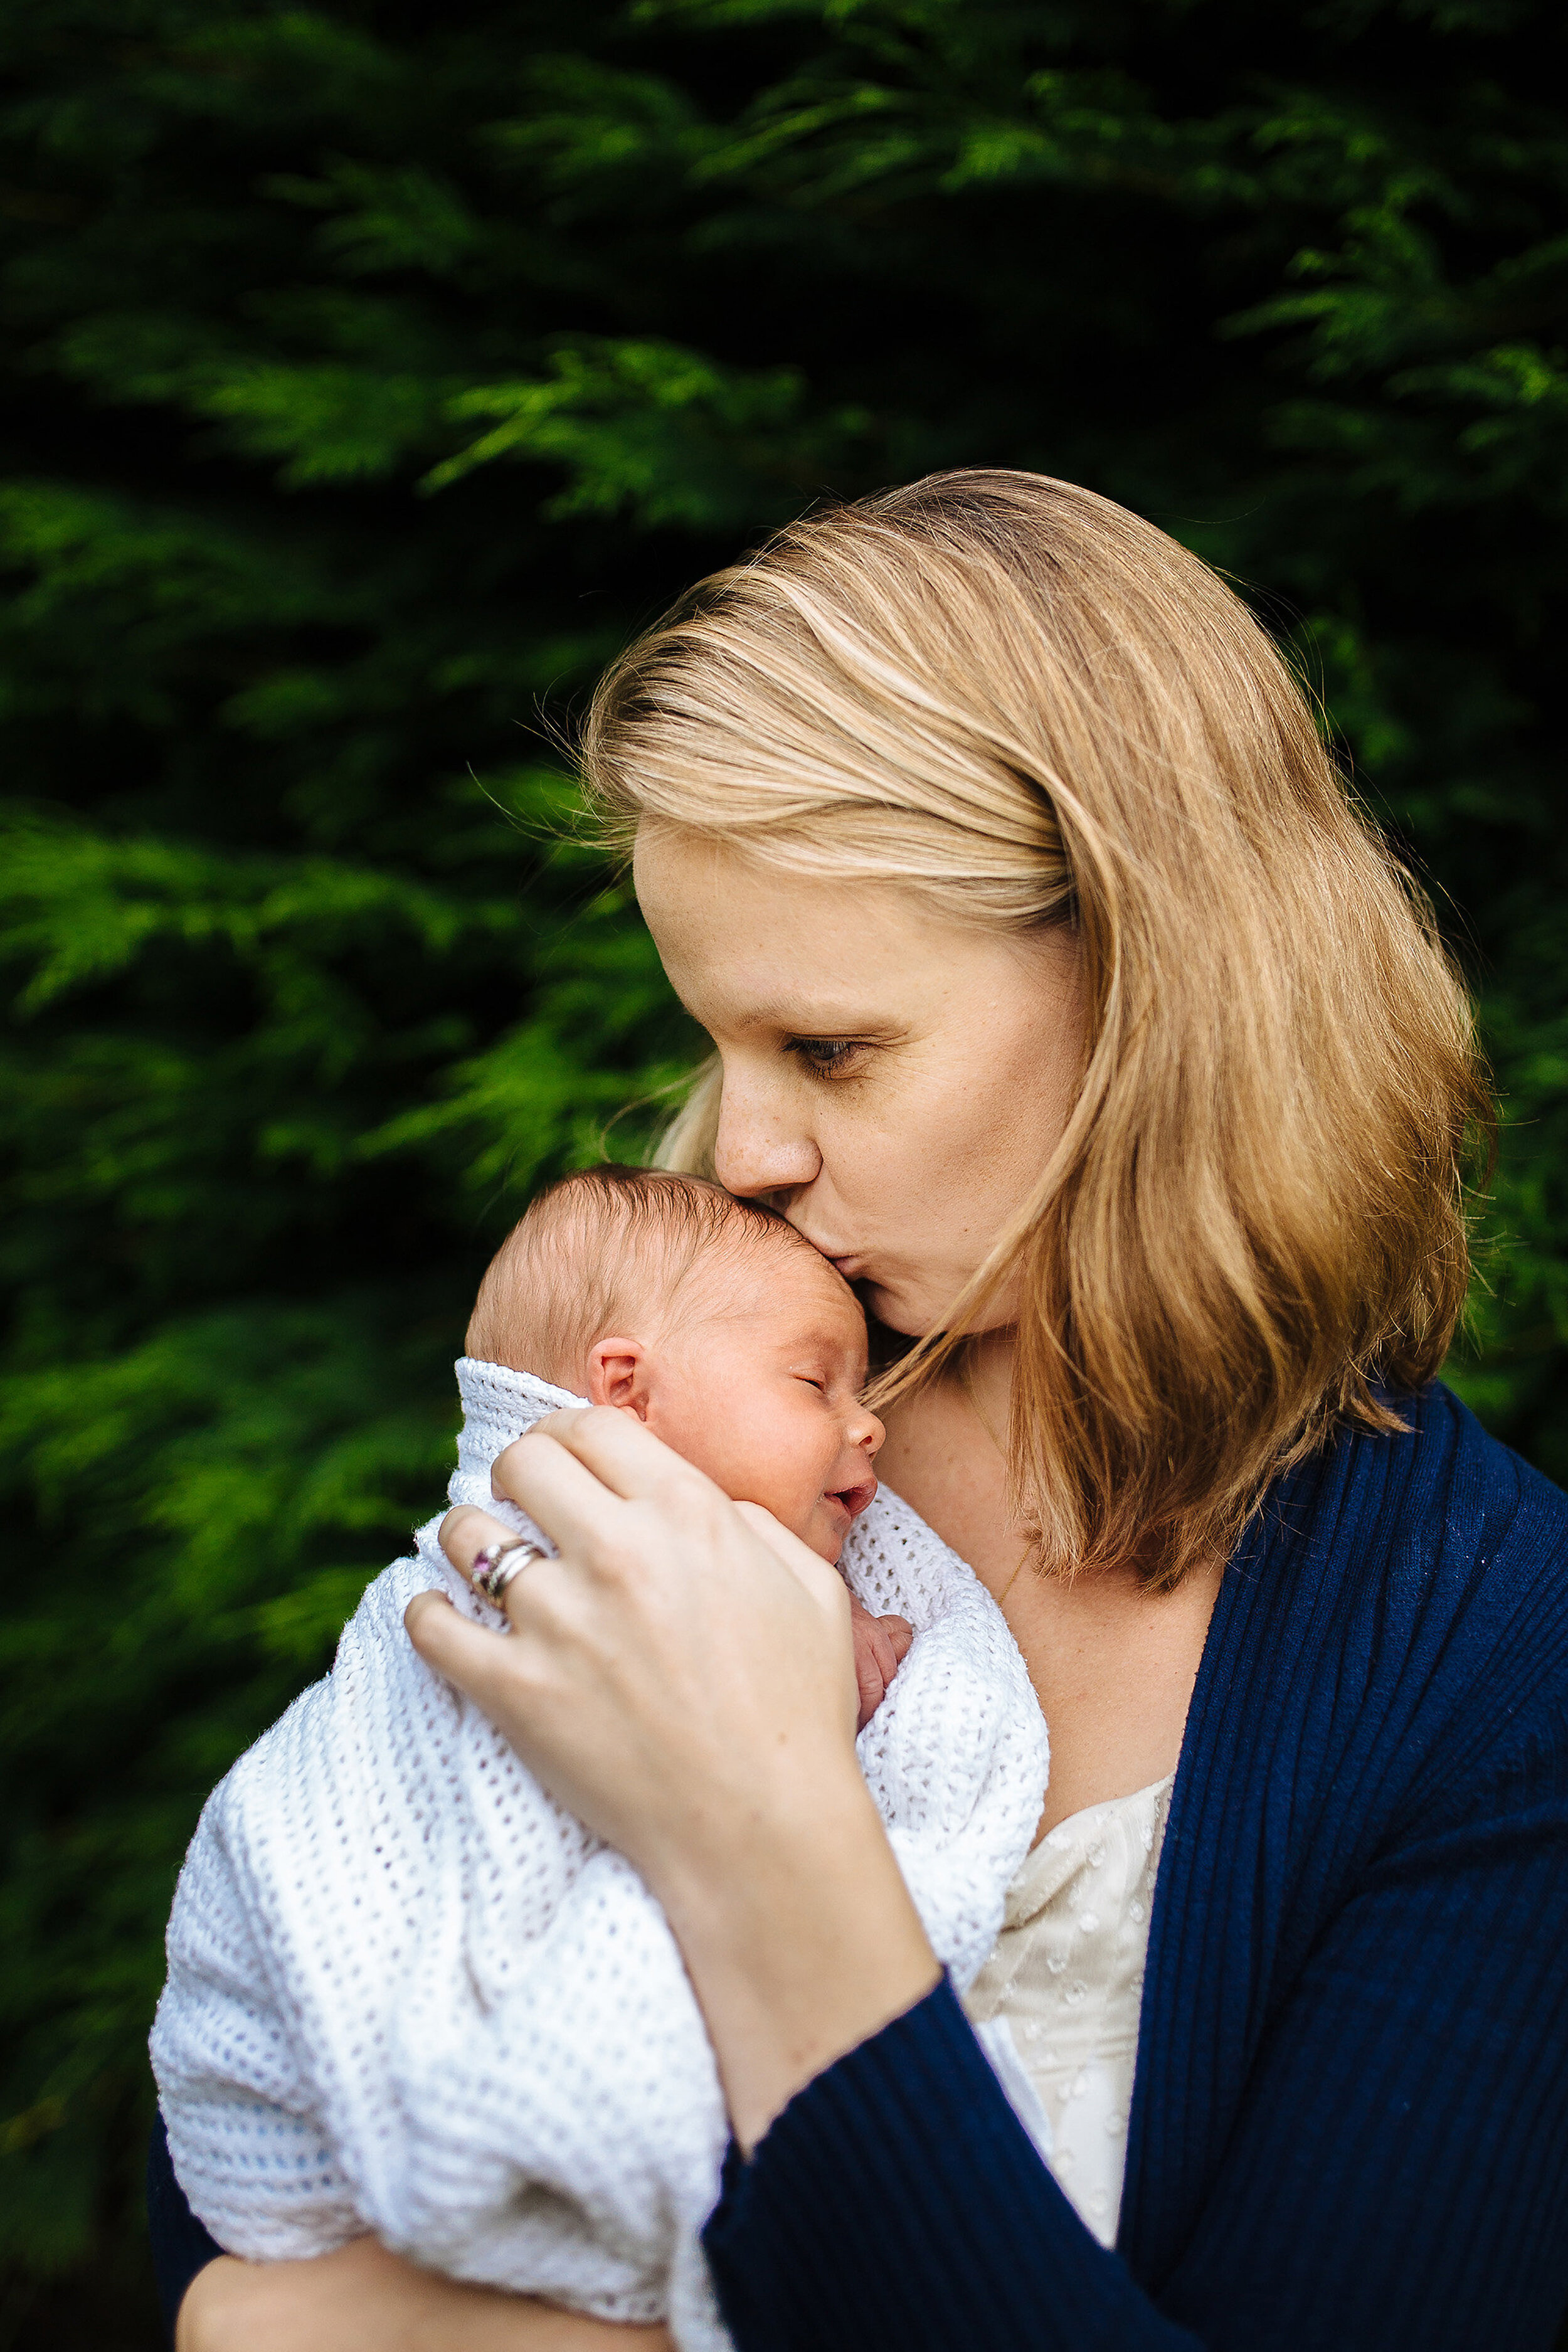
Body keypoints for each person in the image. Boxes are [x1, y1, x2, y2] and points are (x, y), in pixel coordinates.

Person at [154, 470, 1568, 2352]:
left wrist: (760, 1826)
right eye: (715, 1037)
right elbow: (313, 2028)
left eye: (830, 1047)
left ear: (1157, 986)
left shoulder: (1493, 1666)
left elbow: (287, 2319)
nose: (740, 1149)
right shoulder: (726, 1426)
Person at [151, 1163, 1046, 2347]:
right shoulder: (516, 1570)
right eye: (815, 1380)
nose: (865, 1418)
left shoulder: (789, 1545)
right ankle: (538, 2124)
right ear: (623, 1390)